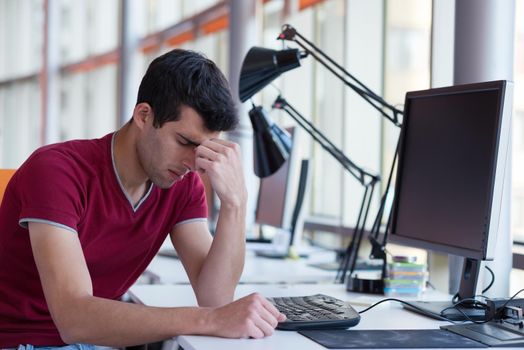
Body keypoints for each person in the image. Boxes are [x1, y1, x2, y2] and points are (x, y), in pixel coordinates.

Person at [0, 49, 285, 348]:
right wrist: (210, 319)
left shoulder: (181, 185)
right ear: (144, 115)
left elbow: (215, 297)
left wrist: (235, 204)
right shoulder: (57, 171)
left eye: (204, 148)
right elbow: (74, 318)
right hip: (23, 342)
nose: (193, 163)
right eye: (185, 142)